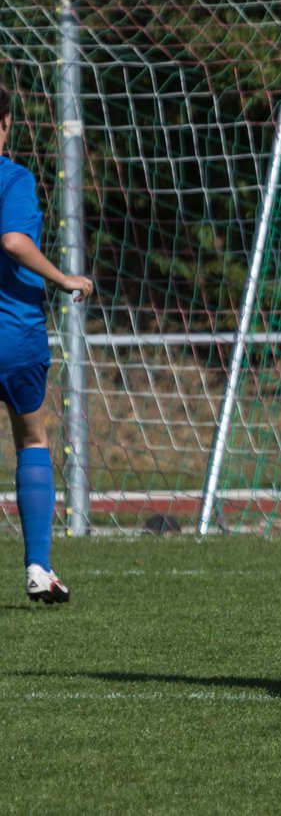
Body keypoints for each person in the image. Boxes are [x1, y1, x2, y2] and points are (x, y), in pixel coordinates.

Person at [0, 86, 93, 604]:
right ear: (7, 122)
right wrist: (63, 278)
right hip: (14, 333)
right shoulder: (12, 177)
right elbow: (13, 239)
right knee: (31, 439)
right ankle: (38, 566)